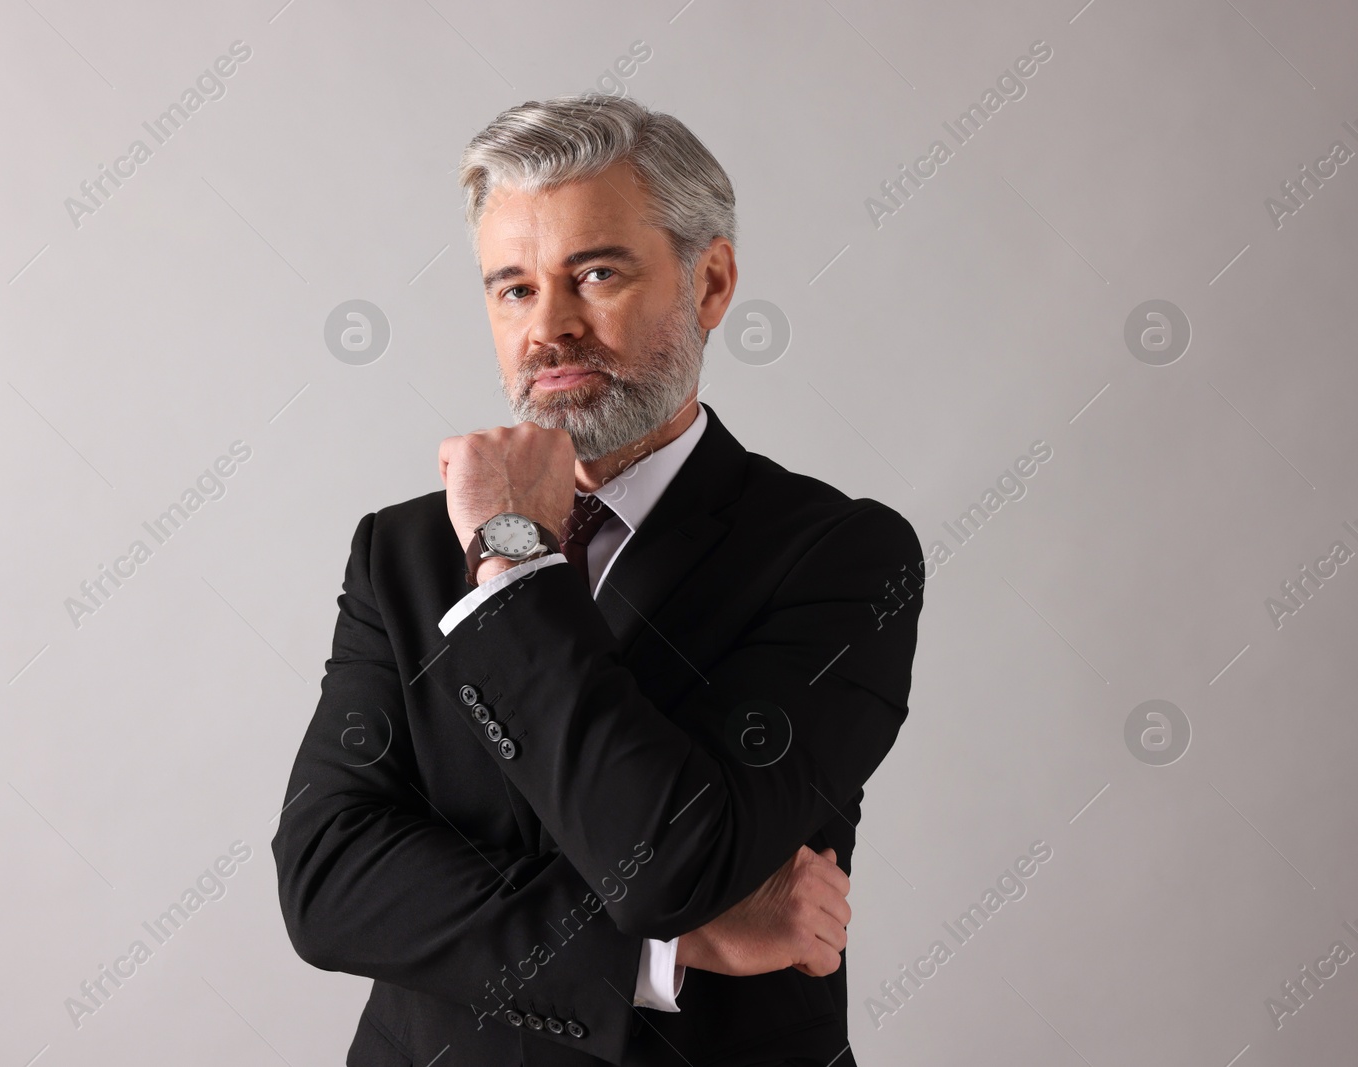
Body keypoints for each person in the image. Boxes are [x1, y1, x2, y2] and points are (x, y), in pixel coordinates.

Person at [272, 93, 924, 1067]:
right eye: (513, 288)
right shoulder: (402, 549)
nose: (549, 329)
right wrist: (664, 948)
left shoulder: (840, 556)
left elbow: (667, 860)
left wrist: (511, 560)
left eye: (595, 272)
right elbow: (327, 882)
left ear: (709, 283)